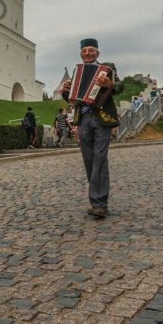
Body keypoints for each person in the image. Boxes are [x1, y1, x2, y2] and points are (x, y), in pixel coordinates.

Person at [62, 38, 123, 219]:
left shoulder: (108, 67)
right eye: (84, 51)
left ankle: (100, 204)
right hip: (83, 120)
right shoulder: (77, 70)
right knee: (89, 160)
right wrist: (67, 91)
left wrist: (109, 84)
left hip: (101, 118)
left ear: (97, 53)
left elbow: (120, 85)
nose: (87, 53)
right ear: (81, 53)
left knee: (100, 159)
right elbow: (74, 98)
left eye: (91, 50)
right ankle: (96, 201)